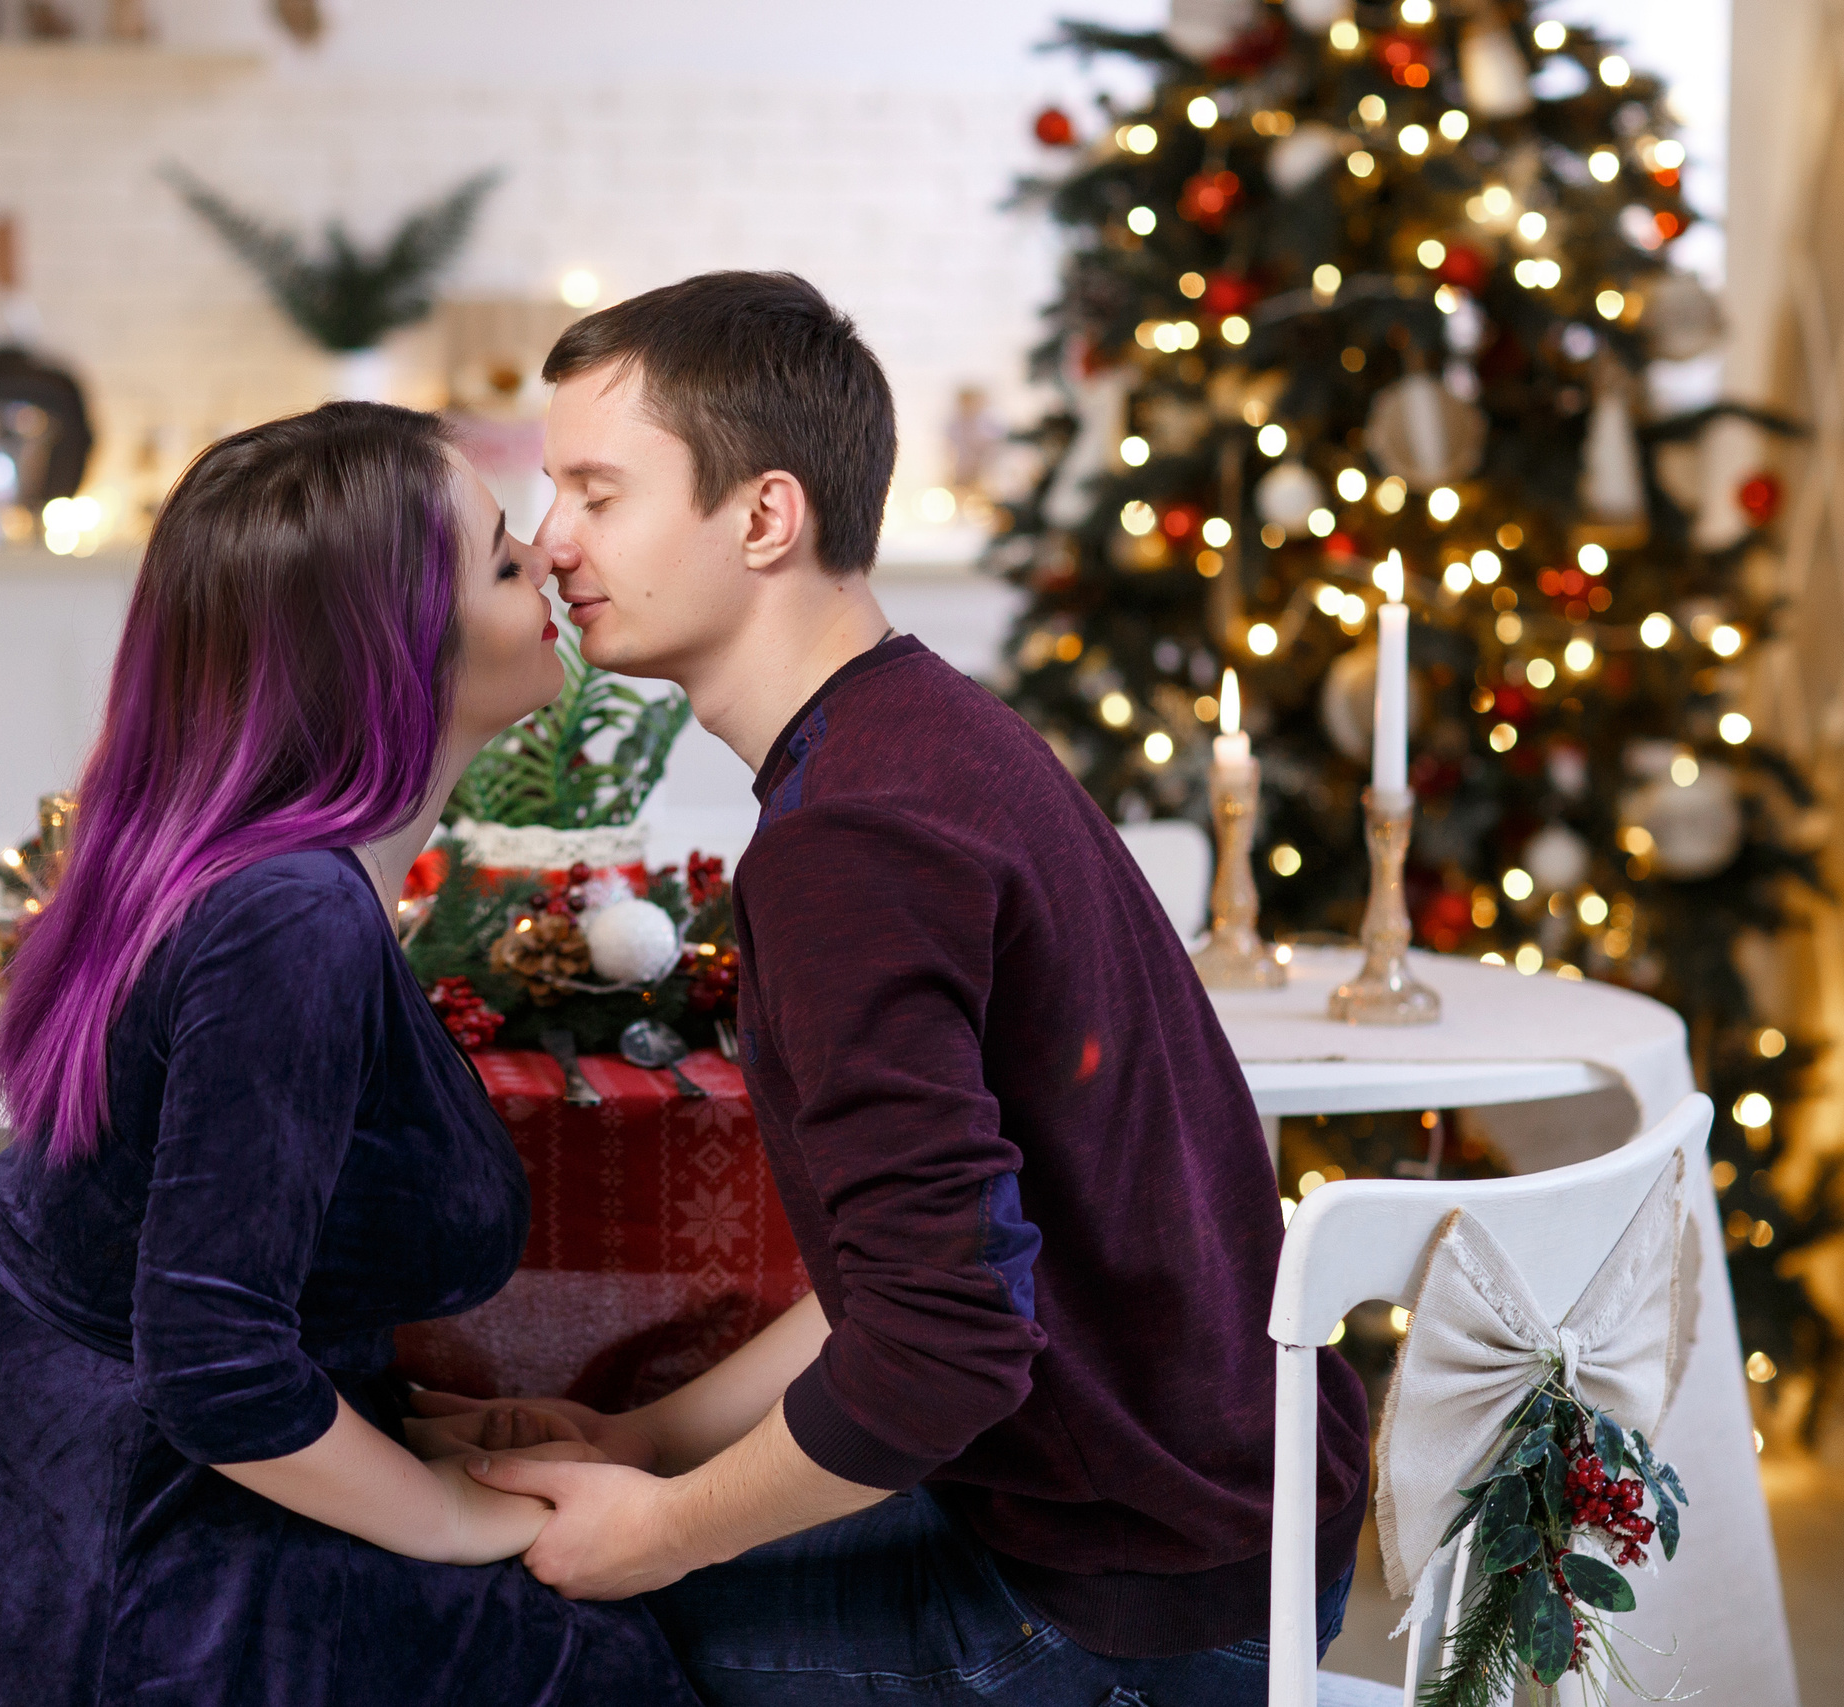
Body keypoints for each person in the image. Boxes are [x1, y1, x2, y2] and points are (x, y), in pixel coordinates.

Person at [431, 272, 1371, 1705]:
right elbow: (928, 1277)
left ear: (764, 516)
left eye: (598, 494)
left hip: (1121, 1609)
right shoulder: (918, 730)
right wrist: (643, 1444)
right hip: (1220, 1527)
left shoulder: (848, 844)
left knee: (525, 1636)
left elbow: (945, 1348)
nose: (552, 542)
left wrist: (663, 1536)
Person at [0, 403, 700, 1707]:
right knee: (588, 1655)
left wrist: (422, 1433)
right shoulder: (293, 911)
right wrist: (451, 1517)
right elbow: (211, 1359)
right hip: (55, 1525)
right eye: (498, 558)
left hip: (0, 1428)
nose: (544, 556)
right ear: (389, 643)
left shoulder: (269, 874)